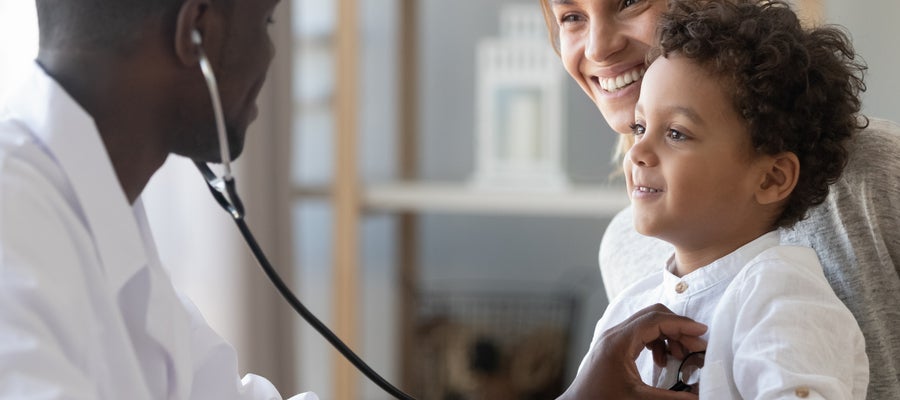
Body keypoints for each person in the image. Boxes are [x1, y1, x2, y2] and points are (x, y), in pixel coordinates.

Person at [0, 0, 707, 398]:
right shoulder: (16, 229)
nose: (275, 57)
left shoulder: (96, 214)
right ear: (198, 34)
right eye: (270, 22)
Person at [540, 0, 900, 397]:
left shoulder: (784, 298)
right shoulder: (629, 287)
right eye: (571, 16)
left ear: (773, 177)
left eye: (676, 133)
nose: (597, 48)